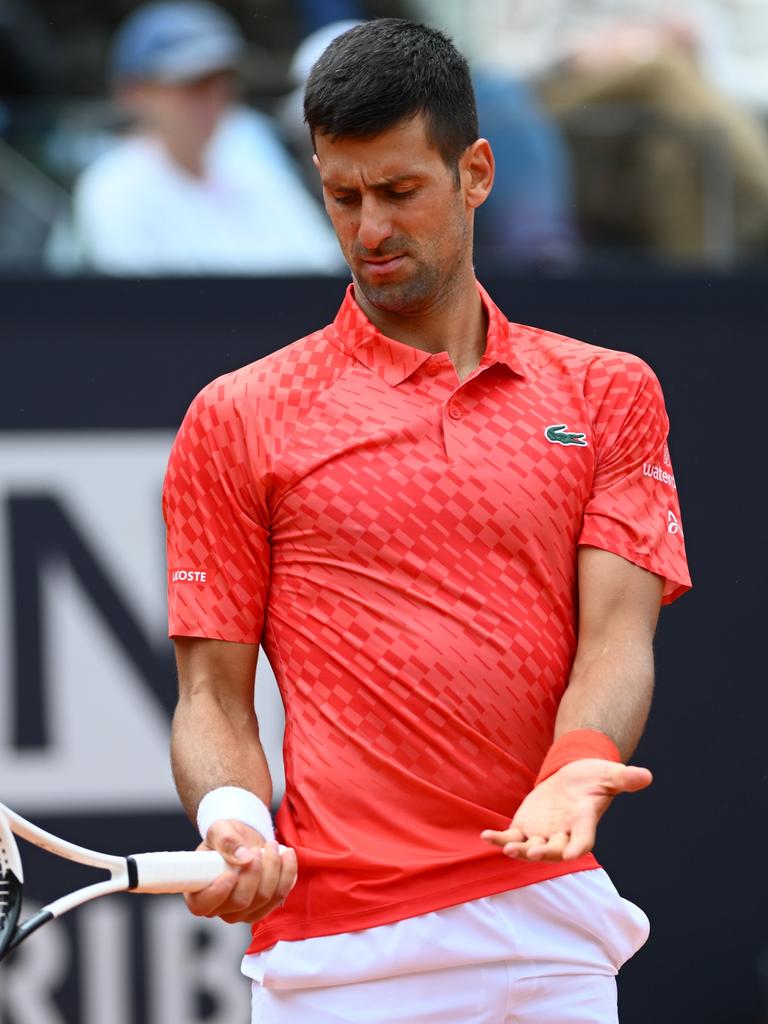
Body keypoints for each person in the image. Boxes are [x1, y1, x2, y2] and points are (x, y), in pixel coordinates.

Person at [163, 19, 691, 1024]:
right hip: (335, 957)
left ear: (476, 172)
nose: (370, 229)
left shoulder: (610, 392)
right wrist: (231, 817)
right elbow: (213, 695)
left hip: (546, 927)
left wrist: (577, 766)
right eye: (342, 196)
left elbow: (619, 634)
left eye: (400, 191)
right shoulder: (239, 416)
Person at [69, 0, 342, 275]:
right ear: (136, 92)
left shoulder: (252, 167)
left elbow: (322, 264)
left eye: (220, 82)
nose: (213, 100)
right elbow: (148, 306)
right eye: (192, 84)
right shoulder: (112, 189)